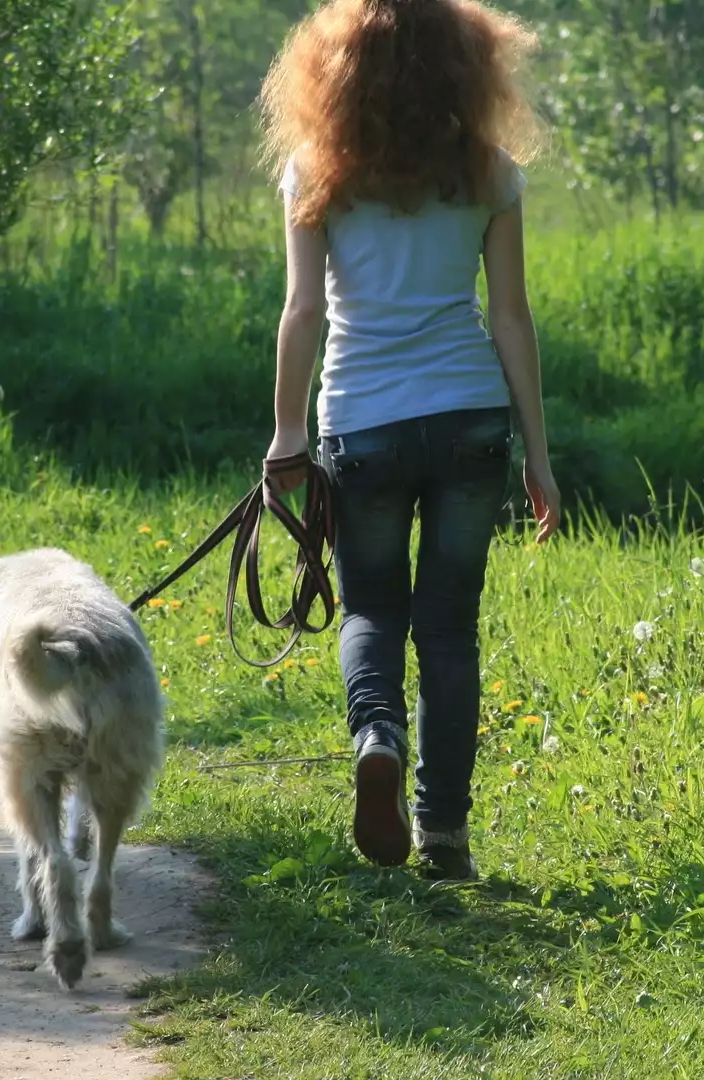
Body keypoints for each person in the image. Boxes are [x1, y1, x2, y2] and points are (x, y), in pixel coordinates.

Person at [256, 0, 560, 880]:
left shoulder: (315, 170)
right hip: (471, 420)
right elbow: (510, 318)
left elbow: (303, 313)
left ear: (337, 70)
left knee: (371, 611)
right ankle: (445, 836)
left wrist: (286, 433)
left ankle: (377, 738)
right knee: (450, 630)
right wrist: (539, 455)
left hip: (363, 421)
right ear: (467, 66)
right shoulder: (490, 172)